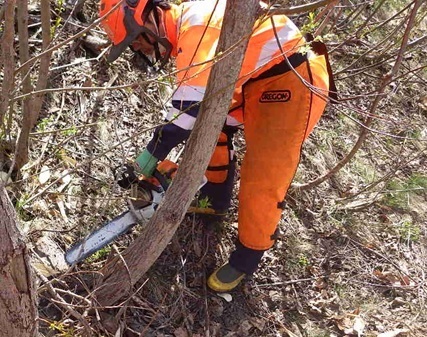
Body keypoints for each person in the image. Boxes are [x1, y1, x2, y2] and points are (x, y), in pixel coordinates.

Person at [99, 0, 336, 292]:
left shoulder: (197, 27)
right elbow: (190, 110)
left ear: (151, 18)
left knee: (265, 171)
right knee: (211, 126)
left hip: (292, 76)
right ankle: (214, 198)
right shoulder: (188, 31)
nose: (140, 49)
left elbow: (184, 114)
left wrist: (148, 158)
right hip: (252, 80)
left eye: (136, 40)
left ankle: (247, 257)